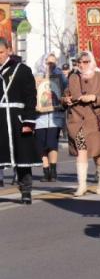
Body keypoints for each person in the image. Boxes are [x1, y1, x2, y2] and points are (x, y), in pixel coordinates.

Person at [64, 51, 100, 197]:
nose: (82, 64)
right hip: (78, 122)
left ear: (92, 61)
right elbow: (66, 93)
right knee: (81, 151)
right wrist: (65, 100)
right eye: (79, 62)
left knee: (99, 156)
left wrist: (93, 97)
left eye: (85, 61)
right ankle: (82, 185)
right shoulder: (73, 77)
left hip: (96, 123)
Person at [0, 39, 38, 203]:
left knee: (22, 156)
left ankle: (26, 189)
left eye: (0, 52)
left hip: (18, 118)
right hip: (1, 119)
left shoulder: (22, 70)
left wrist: (28, 121)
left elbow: (31, 97)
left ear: (9, 50)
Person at [35, 54, 67, 182]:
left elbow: (66, 89)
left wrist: (63, 96)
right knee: (41, 145)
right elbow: (31, 92)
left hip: (55, 115)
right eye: (48, 63)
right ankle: (45, 170)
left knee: (52, 143)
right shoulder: (37, 75)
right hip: (40, 116)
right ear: (44, 63)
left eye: (53, 63)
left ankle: (53, 171)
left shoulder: (60, 76)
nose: (51, 65)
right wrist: (35, 86)